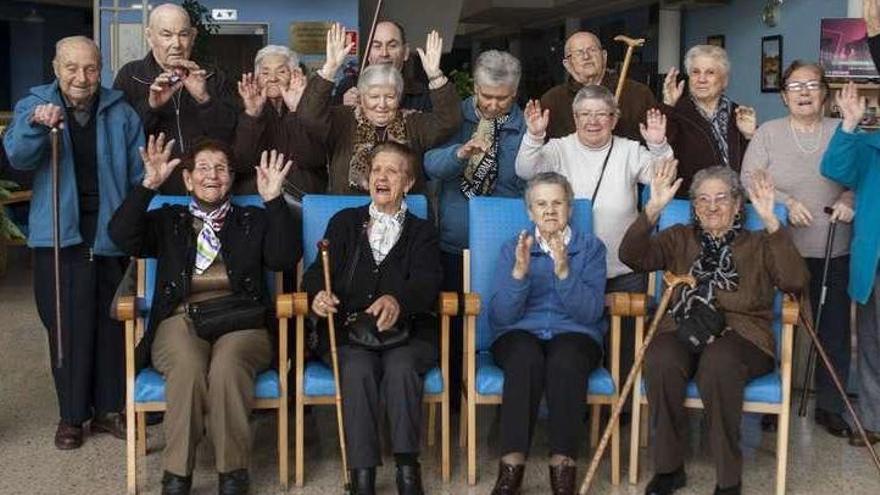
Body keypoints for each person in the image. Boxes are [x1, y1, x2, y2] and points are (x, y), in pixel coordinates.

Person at [108, 136, 300, 495]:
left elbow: (283, 258)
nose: (212, 176)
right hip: (180, 319)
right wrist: (148, 185)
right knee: (187, 367)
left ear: (232, 177)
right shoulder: (168, 219)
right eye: (204, 168)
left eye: (221, 168)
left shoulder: (252, 218)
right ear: (187, 178)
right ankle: (177, 475)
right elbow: (121, 236)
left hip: (242, 320)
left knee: (228, 367)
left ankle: (233, 473)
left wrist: (273, 200)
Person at [619, 164, 808, 495]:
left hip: (743, 335)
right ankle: (668, 469)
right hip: (683, 324)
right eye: (703, 199)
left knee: (719, 362)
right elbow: (632, 256)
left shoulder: (761, 241)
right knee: (660, 357)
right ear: (694, 206)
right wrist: (652, 210)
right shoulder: (679, 237)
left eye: (722, 198)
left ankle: (728, 478)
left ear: (738, 205)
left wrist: (772, 222)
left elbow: (795, 281)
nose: (712, 206)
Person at [2, 36, 144, 450]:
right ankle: (71, 416)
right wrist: (35, 127)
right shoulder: (34, 106)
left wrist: (132, 224)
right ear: (55, 67)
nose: (81, 78)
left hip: (109, 229)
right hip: (59, 236)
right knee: (65, 326)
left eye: (90, 68)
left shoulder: (120, 111)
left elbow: (137, 172)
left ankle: (108, 410)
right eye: (71, 68)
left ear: (100, 69)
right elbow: (17, 158)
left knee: (111, 324)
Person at [302, 142, 442, 495]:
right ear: (367, 179)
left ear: (407, 184)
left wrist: (399, 299)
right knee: (357, 369)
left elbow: (428, 284)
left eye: (392, 171)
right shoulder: (345, 222)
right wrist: (318, 295)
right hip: (352, 330)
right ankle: (362, 475)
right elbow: (318, 273)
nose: (382, 177)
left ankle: (407, 470)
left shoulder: (423, 231)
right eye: (376, 170)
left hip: (407, 333)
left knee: (400, 368)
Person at [741, 60, 855, 438]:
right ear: (784, 94)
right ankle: (773, 400)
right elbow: (749, 179)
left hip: (832, 245)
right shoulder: (769, 133)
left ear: (824, 92)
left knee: (832, 330)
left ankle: (830, 406)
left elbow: (865, 175)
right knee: (775, 322)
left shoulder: (843, 129)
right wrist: (786, 203)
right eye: (794, 86)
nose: (804, 93)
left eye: (811, 85)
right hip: (779, 246)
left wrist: (851, 199)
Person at [488, 172, 606, 495]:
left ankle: (563, 469)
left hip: (575, 333)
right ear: (530, 211)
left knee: (565, 360)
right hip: (520, 334)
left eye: (557, 203)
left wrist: (565, 272)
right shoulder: (513, 247)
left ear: (569, 208)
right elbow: (500, 316)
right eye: (541, 203)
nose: (550, 210)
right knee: (525, 357)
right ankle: (511, 470)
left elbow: (591, 312)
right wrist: (518, 274)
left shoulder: (591, 248)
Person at [423, 49, 526, 409]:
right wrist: (459, 154)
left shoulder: (528, 127)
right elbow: (429, 164)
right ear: (475, 90)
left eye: (503, 98)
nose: (493, 105)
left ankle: (500, 398)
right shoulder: (453, 116)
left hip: (506, 251)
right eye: (486, 96)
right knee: (451, 327)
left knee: (500, 324)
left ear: (515, 94)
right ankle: (452, 402)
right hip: (454, 243)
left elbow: (533, 182)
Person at [516, 84, 671, 289]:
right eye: (585, 114)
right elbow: (525, 170)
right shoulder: (559, 148)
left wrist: (658, 146)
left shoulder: (630, 150)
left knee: (626, 322)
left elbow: (664, 179)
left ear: (614, 119)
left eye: (601, 114)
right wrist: (534, 136)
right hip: (572, 268)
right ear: (575, 118)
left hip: (624, 268)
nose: (593, 121)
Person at [298, 23, 461, 194]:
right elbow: (309, 116)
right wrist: (330, 68)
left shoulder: (412, 122)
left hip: (402, 210)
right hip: (350, 211)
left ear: (399, 98)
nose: (381, 104)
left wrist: (435, 75)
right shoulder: (343, 119)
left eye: (390, 97)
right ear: (361, 96)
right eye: (374, 97)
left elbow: (449, 122)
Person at [113, 2, 236, 194]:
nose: (176, 44)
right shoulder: (130, 75)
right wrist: (151, 106)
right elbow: (120, 138)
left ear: (193, 36)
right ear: (149, 36)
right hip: (151, 189)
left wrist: (204, 99)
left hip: (206, 191)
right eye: (166, 35)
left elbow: (228, 135)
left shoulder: (213, 75)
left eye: (183, 34)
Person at [821, 81, 880, 447]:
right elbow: (835, 168)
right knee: (873, 344)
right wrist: (848, 123)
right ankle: (874, 420)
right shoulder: (870, 144)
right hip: (874, 259)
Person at [661, 45, 756, 196]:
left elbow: (757, 167)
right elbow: (659, 151)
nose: (701, 79)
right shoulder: (675, 112)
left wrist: (750, 136)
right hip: (691, 203)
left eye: (710, 72)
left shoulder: (739, 114)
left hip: (736, 203)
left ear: (724, 80)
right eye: (695, 72)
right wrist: (668, 106)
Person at [234, 45, 328, 197]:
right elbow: (242, 163)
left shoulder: (310, 108)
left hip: (303, 197)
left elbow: (312, 159)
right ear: (257, 79)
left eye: (281, 71)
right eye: (265, 73)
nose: (272, 78)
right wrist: (252, 115)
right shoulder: (242, 108)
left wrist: (294, 111)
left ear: (294, 75)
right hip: (257, 198)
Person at [540, 31, 656, 141]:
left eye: (592, 50)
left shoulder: (638, 93)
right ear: (567, 65)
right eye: (578, 53)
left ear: (604, 57)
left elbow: (658, 141)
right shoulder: (552, 101)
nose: (586, 56)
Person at [332, 20, 432, 112]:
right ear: (368, 53)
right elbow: (322, 126)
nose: (384, 53)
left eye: (392, 46)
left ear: (405, 52)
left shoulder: (421, 93)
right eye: (377, 46)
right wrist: (342, 109)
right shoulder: (348, 85)